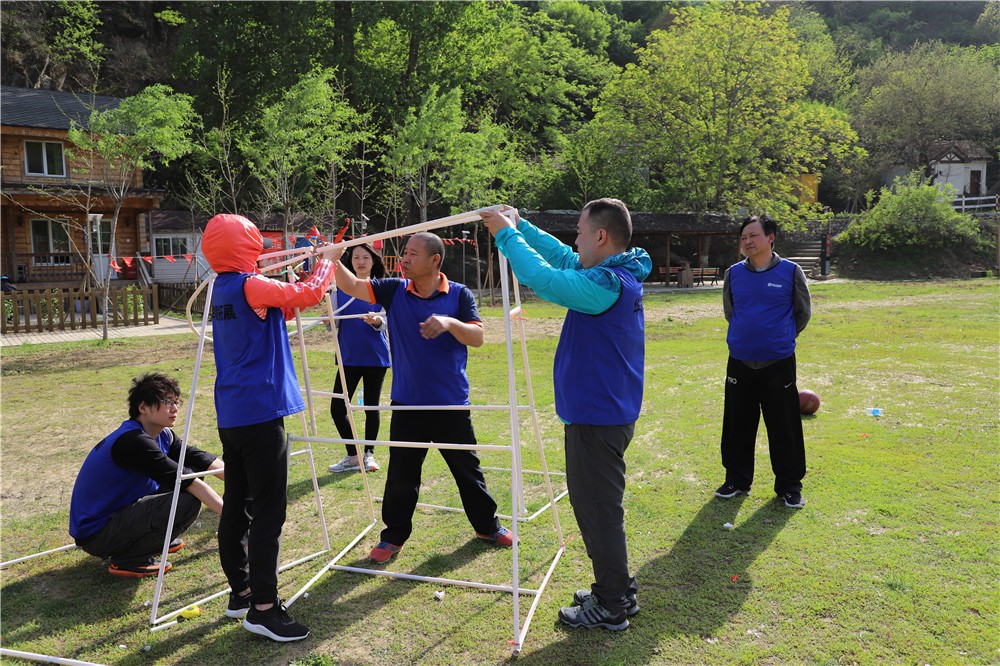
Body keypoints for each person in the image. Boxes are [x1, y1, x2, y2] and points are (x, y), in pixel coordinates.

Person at [482, 199, 651, 632]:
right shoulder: (613, 274)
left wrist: (506, 234)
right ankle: (617, 591)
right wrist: (523, 225)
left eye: (579, 231)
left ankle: (612, 604)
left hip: (598, 419)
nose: (575, 239)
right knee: (599, 508)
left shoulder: (606, 285)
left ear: (600, 236)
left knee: (598, 511)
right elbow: (560, 257)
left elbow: (546, 279)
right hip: (600, 414)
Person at [333, 232, 514, 564]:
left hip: (450, 404)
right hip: (408, 404)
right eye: (404, 252)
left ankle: (487, 526)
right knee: (402, 475)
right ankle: (393, 537)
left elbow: (478, 337)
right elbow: (352, 287)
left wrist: (449, 322)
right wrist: (332, 260)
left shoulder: (459, 294)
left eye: (412, 254)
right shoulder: (393, 289)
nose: (404, 258)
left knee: (467, 471)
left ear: (434, 261)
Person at [201, 213, 336, 642]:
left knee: (238, 504)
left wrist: (307, 266)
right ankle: (263, 608)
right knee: (268, 514)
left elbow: (287, 303)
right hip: (260, 412)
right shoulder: (250, 284)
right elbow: (311, 293)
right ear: (248, 244)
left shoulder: (221, 285)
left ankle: (240, 594)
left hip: (234, 412)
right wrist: (328, 261)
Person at [69, 372, 224, 578]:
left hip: (119, 516)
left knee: (193, 472)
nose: (175, 408)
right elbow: (188, 483)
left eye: (176, 402)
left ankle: (154, 540)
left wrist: (248, 484)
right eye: (166, 402)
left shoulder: (163, 434)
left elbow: (203, 461)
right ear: (142, 408)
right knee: (187, 500)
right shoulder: (134, 441)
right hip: (97, 534)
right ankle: (129, 560)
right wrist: (236, 518)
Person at [714, 214, 811, 509]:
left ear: (771, 237)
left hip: (778, 362)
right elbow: (731, 312)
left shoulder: (790, 271)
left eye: (753, 235)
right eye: (743, 237)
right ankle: (736, 480)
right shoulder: (733, 274)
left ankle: (789, 486)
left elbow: (802, 312)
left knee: (784, 426)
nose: (747, 242)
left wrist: (779, 338)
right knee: (737, 424)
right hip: (740, 362)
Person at [327, 243, 390, 474]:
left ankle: (369, 455)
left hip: (375, 356)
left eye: (365, 257)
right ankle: (353, 456)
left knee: (371, 408)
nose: (360, 262)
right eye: (356, 258)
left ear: (373, 261)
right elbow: (333, 324)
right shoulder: (338, 288)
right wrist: (328, 321)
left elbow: (388, 323)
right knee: (337, 408)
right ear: (349, 261)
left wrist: (377, 322)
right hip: (348, 356)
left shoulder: (383, 288)